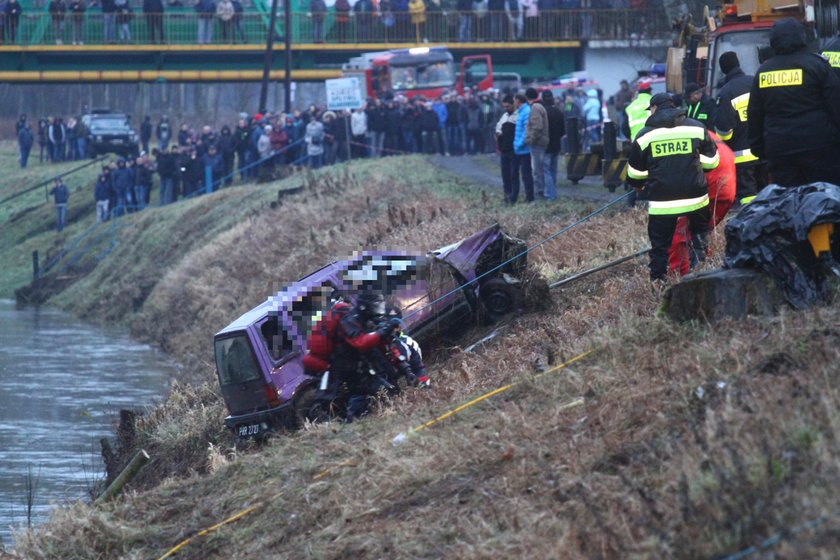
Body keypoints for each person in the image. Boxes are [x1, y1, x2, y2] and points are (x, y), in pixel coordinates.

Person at [627, 93, 720, 281]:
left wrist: (642, 185)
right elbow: (712, 163)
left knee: (660, 248)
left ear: (654, 109)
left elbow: (635, 176)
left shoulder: (644, 135)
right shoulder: (696, 128)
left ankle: (658, 286)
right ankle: (700, 277)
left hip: (662, 204)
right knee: (699, 240)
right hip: (696, 199)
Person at [747, 18, 840, 187]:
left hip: (780, 149)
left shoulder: (763, 72)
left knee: (788, 200)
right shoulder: (816, 66)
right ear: (802, 37)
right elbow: (835, 105)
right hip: (818, 146)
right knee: (822, 197)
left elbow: (755, 114)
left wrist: (759, 148)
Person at [303, 292, 401, 422]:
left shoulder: (341, 315)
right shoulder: (347, 319)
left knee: (360, 388)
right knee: (357, 390)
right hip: (343, 362)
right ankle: (351, 417)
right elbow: (360, 342)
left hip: (345, 361)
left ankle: (354, 416)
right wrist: (382, 331)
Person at [669, 131, 736, 275]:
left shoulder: (677, 138)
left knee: (678, 234)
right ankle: (700, 266)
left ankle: (679, 278)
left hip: (707, 189)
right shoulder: (705, 134)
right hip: (726, 190)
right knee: (700, 232)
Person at [714, 51, 767, 205]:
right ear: (738, 64)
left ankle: (752, 224)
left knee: (748, 198)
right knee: (767, 193)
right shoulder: (755, 82)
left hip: (742, 158)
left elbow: (725, 131)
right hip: (765, 151)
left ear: (723, 69)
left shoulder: (726, 92)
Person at [524, 87, 549, 199]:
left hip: (537, 143)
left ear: (526, 97)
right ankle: (543, 191)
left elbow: (537, 127)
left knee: (537, 170)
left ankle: (540, 192)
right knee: (540, 169)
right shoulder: (540, 106)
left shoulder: (534, 108)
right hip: (541, 141)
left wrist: (530, 140)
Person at [495, 94, 518, 203]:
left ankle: (513, 197)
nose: (506, 108)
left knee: (513, 174)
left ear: (513, 104)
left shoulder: (518, 116)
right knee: (505, 175)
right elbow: (498, 127)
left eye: (508, 106)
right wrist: (498, 133)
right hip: (504, 149)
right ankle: (507, 196)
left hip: (514, 149)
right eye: (504, 106)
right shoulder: (504, 116)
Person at [542, 89, 564, 200]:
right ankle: (553, 191)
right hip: (556, 145)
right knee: (553, 170)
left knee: (546, 171)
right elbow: (563, 131)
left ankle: (551, 194)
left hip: (545, 146)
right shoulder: (559, 112)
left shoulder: (543, 113)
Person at [512, 93, 534, 202]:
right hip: (518, 149)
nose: (513, 103)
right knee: (517, 173)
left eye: (514, 100)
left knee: (526, 175)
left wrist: (518, 144)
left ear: (518, 101)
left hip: (523, 150)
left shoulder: (526, 112)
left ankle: (530, 197)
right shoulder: (521, 112)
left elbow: (526, 131)